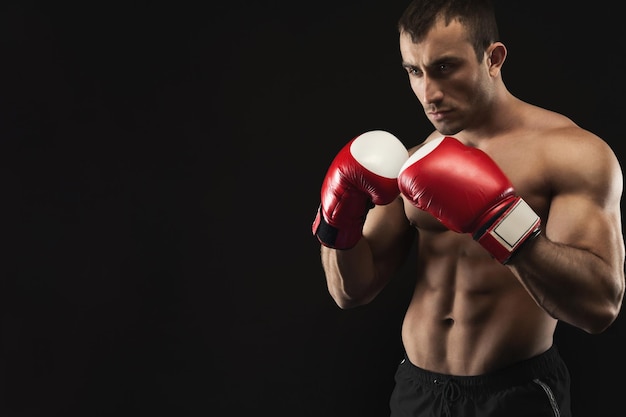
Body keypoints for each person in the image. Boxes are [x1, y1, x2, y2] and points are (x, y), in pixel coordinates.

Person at [311, 0, 625, 416]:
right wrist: (338, 216)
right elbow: (349, 291)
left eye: (444, 67)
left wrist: (496, 219)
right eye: (413, 71)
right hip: (417, 391)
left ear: (493, 58)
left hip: (515, 394)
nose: (429, 93)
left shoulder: (571, 154)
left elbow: (599, 306)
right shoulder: (416, 161)